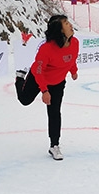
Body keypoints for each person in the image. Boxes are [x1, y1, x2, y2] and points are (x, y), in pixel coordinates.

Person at [15, 15, 79, 160]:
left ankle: (54, 145)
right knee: (25, 100)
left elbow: (71, 58)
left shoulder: (74, 42)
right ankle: (19, 77)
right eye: (67, 24)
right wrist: (44, 90)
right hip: (39, 78)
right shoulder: (47, 49)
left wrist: (73, 71)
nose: (70, 25)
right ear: (60, 30)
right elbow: (39, 71)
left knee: (54, 112)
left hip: (58, 82)